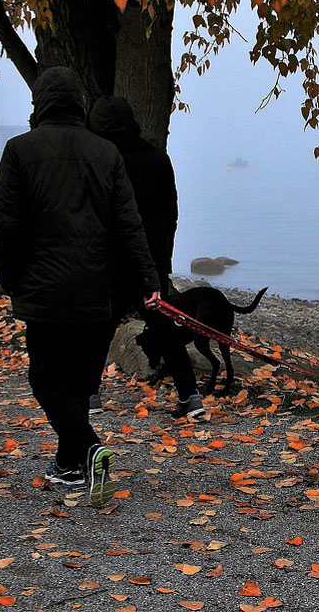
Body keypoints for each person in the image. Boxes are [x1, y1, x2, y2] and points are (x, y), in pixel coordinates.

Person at [0, 67, 160, 506]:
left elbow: (6, 226)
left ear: (41, 102)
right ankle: (69, 466)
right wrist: (148, 281)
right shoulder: (105, 153)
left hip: (44, 289)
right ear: (79, 102)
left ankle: (88, 449)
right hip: (95, 288)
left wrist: (10, 279)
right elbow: (129, 225)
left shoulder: (18, 151)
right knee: (80, 380)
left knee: (46, 378)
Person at [86, 95, 202, 419]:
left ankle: (89, 395)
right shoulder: (156, 158)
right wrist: (163, 258)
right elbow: (170, 212)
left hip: (110, 258)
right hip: (151, 258)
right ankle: (191, 397)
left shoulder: (99, 159)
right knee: (162, 325)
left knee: (101, 325)